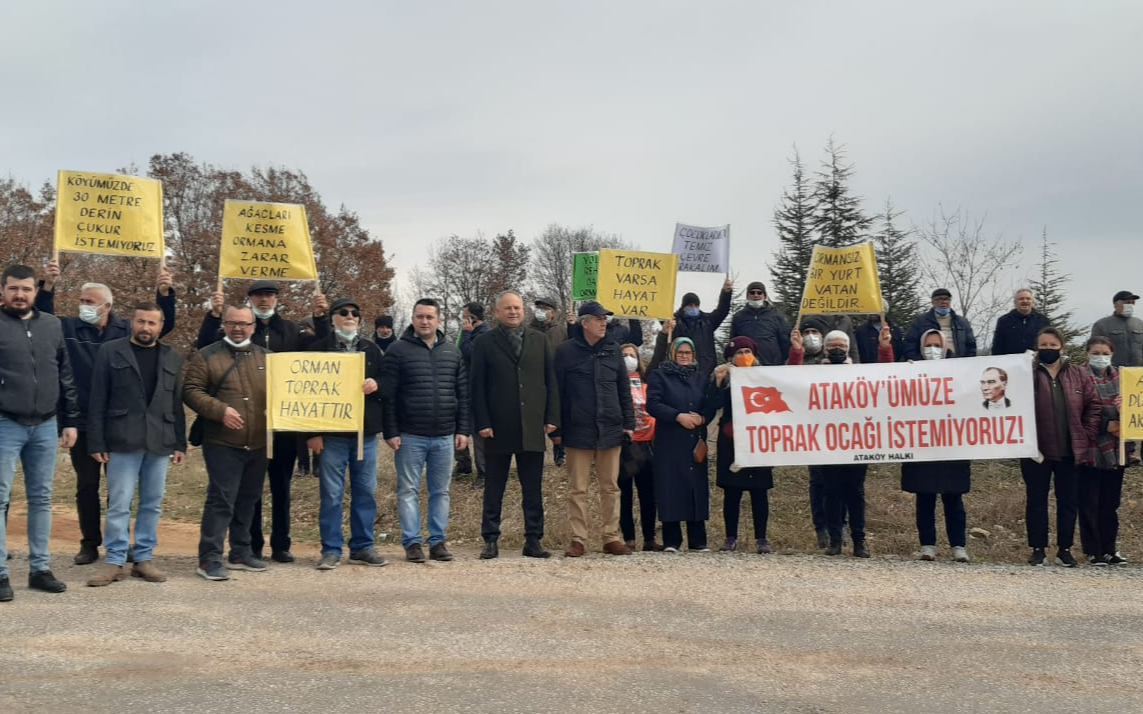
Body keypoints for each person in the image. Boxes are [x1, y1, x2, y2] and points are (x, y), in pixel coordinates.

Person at [37, 259, 176, 566]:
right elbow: (43, 315)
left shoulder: (125, 330)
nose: (83, 306)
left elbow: (158, 327)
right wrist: (47, 286)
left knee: (120, 491)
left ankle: (122, 544)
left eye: (90, 302)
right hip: (82, 422)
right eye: (81, 301)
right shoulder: (68, 327)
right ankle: (90, 543)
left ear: (108, 306)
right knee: (87, 486)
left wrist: (165, 293)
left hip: (119, 424)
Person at [196, 280, 328, 564]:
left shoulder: (292, 330)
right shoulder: (231, 333)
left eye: (269, 295)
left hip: (283, 427)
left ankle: (281, 545)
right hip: (243, 429)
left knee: (280, 488)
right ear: (250, 301)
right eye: (258, 296)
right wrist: (214, 314)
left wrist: (321, 318)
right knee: (245, 492)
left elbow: (321, 353)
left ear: (277, 299)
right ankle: (248, 546)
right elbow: (204, 348)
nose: (264, 300)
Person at [85, 303, 186, 586]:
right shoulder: (110, 351)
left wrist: (180, 443)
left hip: (160, 441)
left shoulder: (172, 357)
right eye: (141, 322)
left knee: (152, 504)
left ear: (161, 326)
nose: (146, 328)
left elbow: (175, 403)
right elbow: (97, 399)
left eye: (152, 323)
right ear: (133, 322)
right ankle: (115, 561)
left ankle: (143, 559)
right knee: (119, 503)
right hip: (122, 440)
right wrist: (97, 440)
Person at [0, 265, 79, 601]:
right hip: (5, 423)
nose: (21, 295)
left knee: (42, 498)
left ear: (35, 291)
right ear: (3, 290)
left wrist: (71, 420)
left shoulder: (52, 325)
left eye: (27, 289)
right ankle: (1, 574)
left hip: (46, 425)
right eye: (14, 288)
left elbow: (65, 373)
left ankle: (40, 568)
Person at [470, 291, 559, 559]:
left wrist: (552, 417)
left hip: (532, 424)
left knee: (532, 488)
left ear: (524, 311)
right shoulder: (485, 342)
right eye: (507, 308)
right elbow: (477, 387)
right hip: (497, 426)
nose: (513, 312)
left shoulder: (539, 340)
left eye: (517, 308)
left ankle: (533, 540)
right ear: (497, 312)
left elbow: (550, 380)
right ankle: (490, 539)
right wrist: (482, 422)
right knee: (494, 486)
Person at [184, 306, 270, 581]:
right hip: (222, 442)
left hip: (258, 443)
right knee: (221, 500)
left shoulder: (267, 358)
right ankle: (209, 558)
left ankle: (240, 552)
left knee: (248, 500)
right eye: (232, 323)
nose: (238, 328)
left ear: (254, 326)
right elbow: (190, 390)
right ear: (223, 324)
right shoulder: (207, 356)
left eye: (244, 324)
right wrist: (219, 411)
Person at [789, 328, 892, 557]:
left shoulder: (858, 374)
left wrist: (885, 349)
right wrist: (796, 352)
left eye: (841, 346)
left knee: (855, 493)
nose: (837, 349)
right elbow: (790, 382)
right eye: (833, 345)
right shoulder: (814, 374)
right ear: (825, 348)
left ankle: (859, 541)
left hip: (856, 442)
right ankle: (835, 540)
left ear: (848, 349)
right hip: (826, 443)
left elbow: (886, 378)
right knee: (831, 492)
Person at [380, 298, 469, 563]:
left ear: (439, 320)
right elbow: (389, 396)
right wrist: (391, 431)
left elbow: (462, 394)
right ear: (412, 319)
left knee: (440, 491)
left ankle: (438, 541)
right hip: (409, 435)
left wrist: (463, 429)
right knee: (408, 490)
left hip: (443, 436)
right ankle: (412, 542)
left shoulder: (452, 352)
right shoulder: (397, 350)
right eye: (420, 316)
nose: (425, 321)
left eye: (430, 317)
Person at [306, 298, 387, 570]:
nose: (349, 316)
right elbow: (307, 395)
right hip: (331, 437)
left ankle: (362, 546)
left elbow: (390, 383)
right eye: (343, 313)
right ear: (332, 319)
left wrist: (377, 384)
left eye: (355, 313)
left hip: (364, 436)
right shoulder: (318, 351)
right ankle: (330, 549)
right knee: (331, 494)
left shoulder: (372, 350)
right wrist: (312, 434)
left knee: (365, 492)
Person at [553, 301, 635, 557]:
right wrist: (555, 429)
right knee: (578, 488)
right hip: (577, 430)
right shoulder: (565, 352)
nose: (603, 323)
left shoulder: (613, 350)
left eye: (605, 319)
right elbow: (557, 392)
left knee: (610, 486)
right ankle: (578, 538)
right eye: (599, 319)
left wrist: (629, 423)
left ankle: (611, 537)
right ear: (584, 322)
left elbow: (624, 389)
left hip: (610, 429)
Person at [1021, 326, 1101, 567]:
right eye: (1043, 346)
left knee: (1068, 502)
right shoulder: (1026, 373)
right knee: (1036, 501)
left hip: (1070, 451)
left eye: (1052, 346)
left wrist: (1085, 435)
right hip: (1037, 451)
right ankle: (1037, 549)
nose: (1047, 349)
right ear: (1037, 348)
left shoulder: (1078, 374)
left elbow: (1094, 406)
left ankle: (1064, 549)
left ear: (1061, 348)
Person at [902, 330, 971, 562]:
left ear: (945, 347)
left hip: (952, 441)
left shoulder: (959, 371)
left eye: (937, 345)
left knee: (954, 498)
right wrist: (906, 372)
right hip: (922, 442)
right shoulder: (912, 370)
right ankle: (927, 545)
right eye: (928, 345)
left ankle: (958, 545)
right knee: (925, 497)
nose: (933, 349)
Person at [646, 337, 719, 553]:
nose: (684, 356)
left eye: (688, 352)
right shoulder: (660, 376)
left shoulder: (700, 378)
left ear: (694, 355)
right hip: (670, 440)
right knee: (671, 488)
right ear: (673, 354)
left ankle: (698, 540)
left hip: (694, 441)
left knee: (695, 488)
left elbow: (710, 405)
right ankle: (672, 540)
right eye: (681, 353)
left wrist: (703, 418)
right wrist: (677, 416)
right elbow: (653, 404)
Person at [711, 336, 774, 554]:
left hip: (758, 439)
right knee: (732, 491)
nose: (743, 356)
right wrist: (718, 383)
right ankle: (730, 537)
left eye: (747, 351)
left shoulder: (765, 377)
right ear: (730, 357)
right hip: (731, 441)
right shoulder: (724, 378)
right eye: (739, 352)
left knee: (760, 492)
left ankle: (762, 538)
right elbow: (712, 406)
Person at [1078, 336, 1128, 566]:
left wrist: (1124, 412)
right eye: (1095, 352)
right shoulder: (1079, 377)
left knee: (1110, 504)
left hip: (1116, 450)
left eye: (1104, 352)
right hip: (1090, 449)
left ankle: (1110, 549)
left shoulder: (1125, 379)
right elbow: (1076, 412)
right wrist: (1107, 425)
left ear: (1112, 353)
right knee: (1089, 503)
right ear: (1088, 353)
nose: (1100, 356)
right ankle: (1093, 550)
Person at [790, 316, 839, 548]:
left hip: (839, 432)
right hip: (812, 431)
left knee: (841, 482)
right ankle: (821, 528)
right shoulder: (799, 360)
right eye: (806, 330)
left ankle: (840, 526)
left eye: (815, 331)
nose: (811, 334)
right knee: (818, 481)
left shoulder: (837, 362)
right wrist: (797, 351)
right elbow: (787, 380)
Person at [1090, 290, 1142, 464]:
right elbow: (1095, 348)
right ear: (1116, 304)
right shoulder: (1103, 325)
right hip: (1113, 377)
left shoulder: (1139, 324)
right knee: (1117, 410)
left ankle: (1133, 450)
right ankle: (1123, 449)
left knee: (1135, 412)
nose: (1130, 305)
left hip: (1137, 377)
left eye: (1132, 302)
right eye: (1126, 302)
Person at [618, 343, 660, 552]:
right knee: (624, 494)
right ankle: (628, 538)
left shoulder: (647, 383)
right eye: (624, 355)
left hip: (647, 444)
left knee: (648, 494)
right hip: (624, 445)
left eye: (632, 355)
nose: (628, 359)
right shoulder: (615, 383)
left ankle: (650, 538)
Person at [456, 301, 489, 487]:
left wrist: (467, 333)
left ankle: (483, 472)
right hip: (462, 386)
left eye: (465, 316)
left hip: (476, 388)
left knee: (478, 432)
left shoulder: (483, 334)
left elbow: (469, 353)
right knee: (458, 427)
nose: (463, 320)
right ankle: (463, 464)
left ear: (473, 317)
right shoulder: (466, 333)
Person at [670, 281, 733, 376]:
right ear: (683, 307)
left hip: (706, 370)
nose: (694, 308)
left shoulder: (708, 321)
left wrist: (726, 293)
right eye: (690, 305)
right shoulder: (674, 322)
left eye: (696, 305)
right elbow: (660, 313)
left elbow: (722, 311)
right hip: (681, 370)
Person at [903, 288, 977, 360]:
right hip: (929, 365)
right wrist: (918, 362)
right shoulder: (921, 321)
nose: (943, 302)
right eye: (939, 299)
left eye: (946, 299)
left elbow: (971, 346)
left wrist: (967, 362)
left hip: (957, 364)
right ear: (932, 302)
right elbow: (910, 345)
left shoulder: (962, 322)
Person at [728, 281, 790, 366]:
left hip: (772, 365)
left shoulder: (776, 315)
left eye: (759, 292)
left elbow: (785, 340)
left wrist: (785, 360)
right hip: (747, 365)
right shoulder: (739, 317)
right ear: (747, 296)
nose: (756, 295)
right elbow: (733, 342)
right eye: (752, 292)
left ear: (764, 296)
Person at [991, 288, 1049, 355]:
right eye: (1021, 299)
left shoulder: (1043, 321)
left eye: (1028, 299)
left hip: (1036, 361)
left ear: (1032, 302)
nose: (1025, 301)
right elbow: (997, 346)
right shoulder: (1004, 321)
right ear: (1015, 302)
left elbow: (1047, 344)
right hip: (1010, 361)